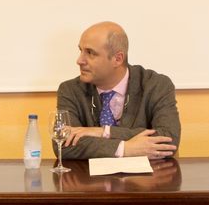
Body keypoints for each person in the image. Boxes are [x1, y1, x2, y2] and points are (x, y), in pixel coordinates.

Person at [56, 21, 180, 160]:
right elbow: (63, 144)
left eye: (90, 53)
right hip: (88, 174)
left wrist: (104, 132)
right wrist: (124, 148)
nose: (79, 60)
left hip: (147, 174)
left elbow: (168, 139)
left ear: (117, 59)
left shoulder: (156, 85)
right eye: (81, 51)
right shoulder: (70, 90)